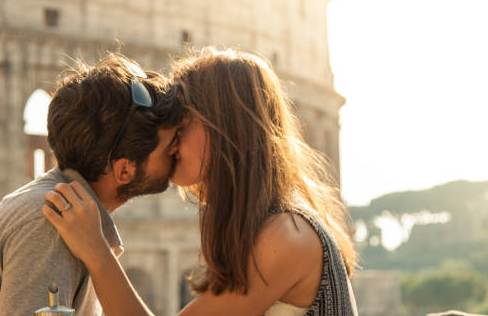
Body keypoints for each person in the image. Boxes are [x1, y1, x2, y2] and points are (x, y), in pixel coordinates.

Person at [43, 47, 359, 316]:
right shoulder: (278, 225)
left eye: (181, 126)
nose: (170, 142)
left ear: (222, 130)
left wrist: (97, 253)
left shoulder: (287, 238)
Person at [0, 53, 183, 316]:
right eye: (169, 148)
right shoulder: (50, 222)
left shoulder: (62, 210)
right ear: (124, 169)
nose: (178, 152)